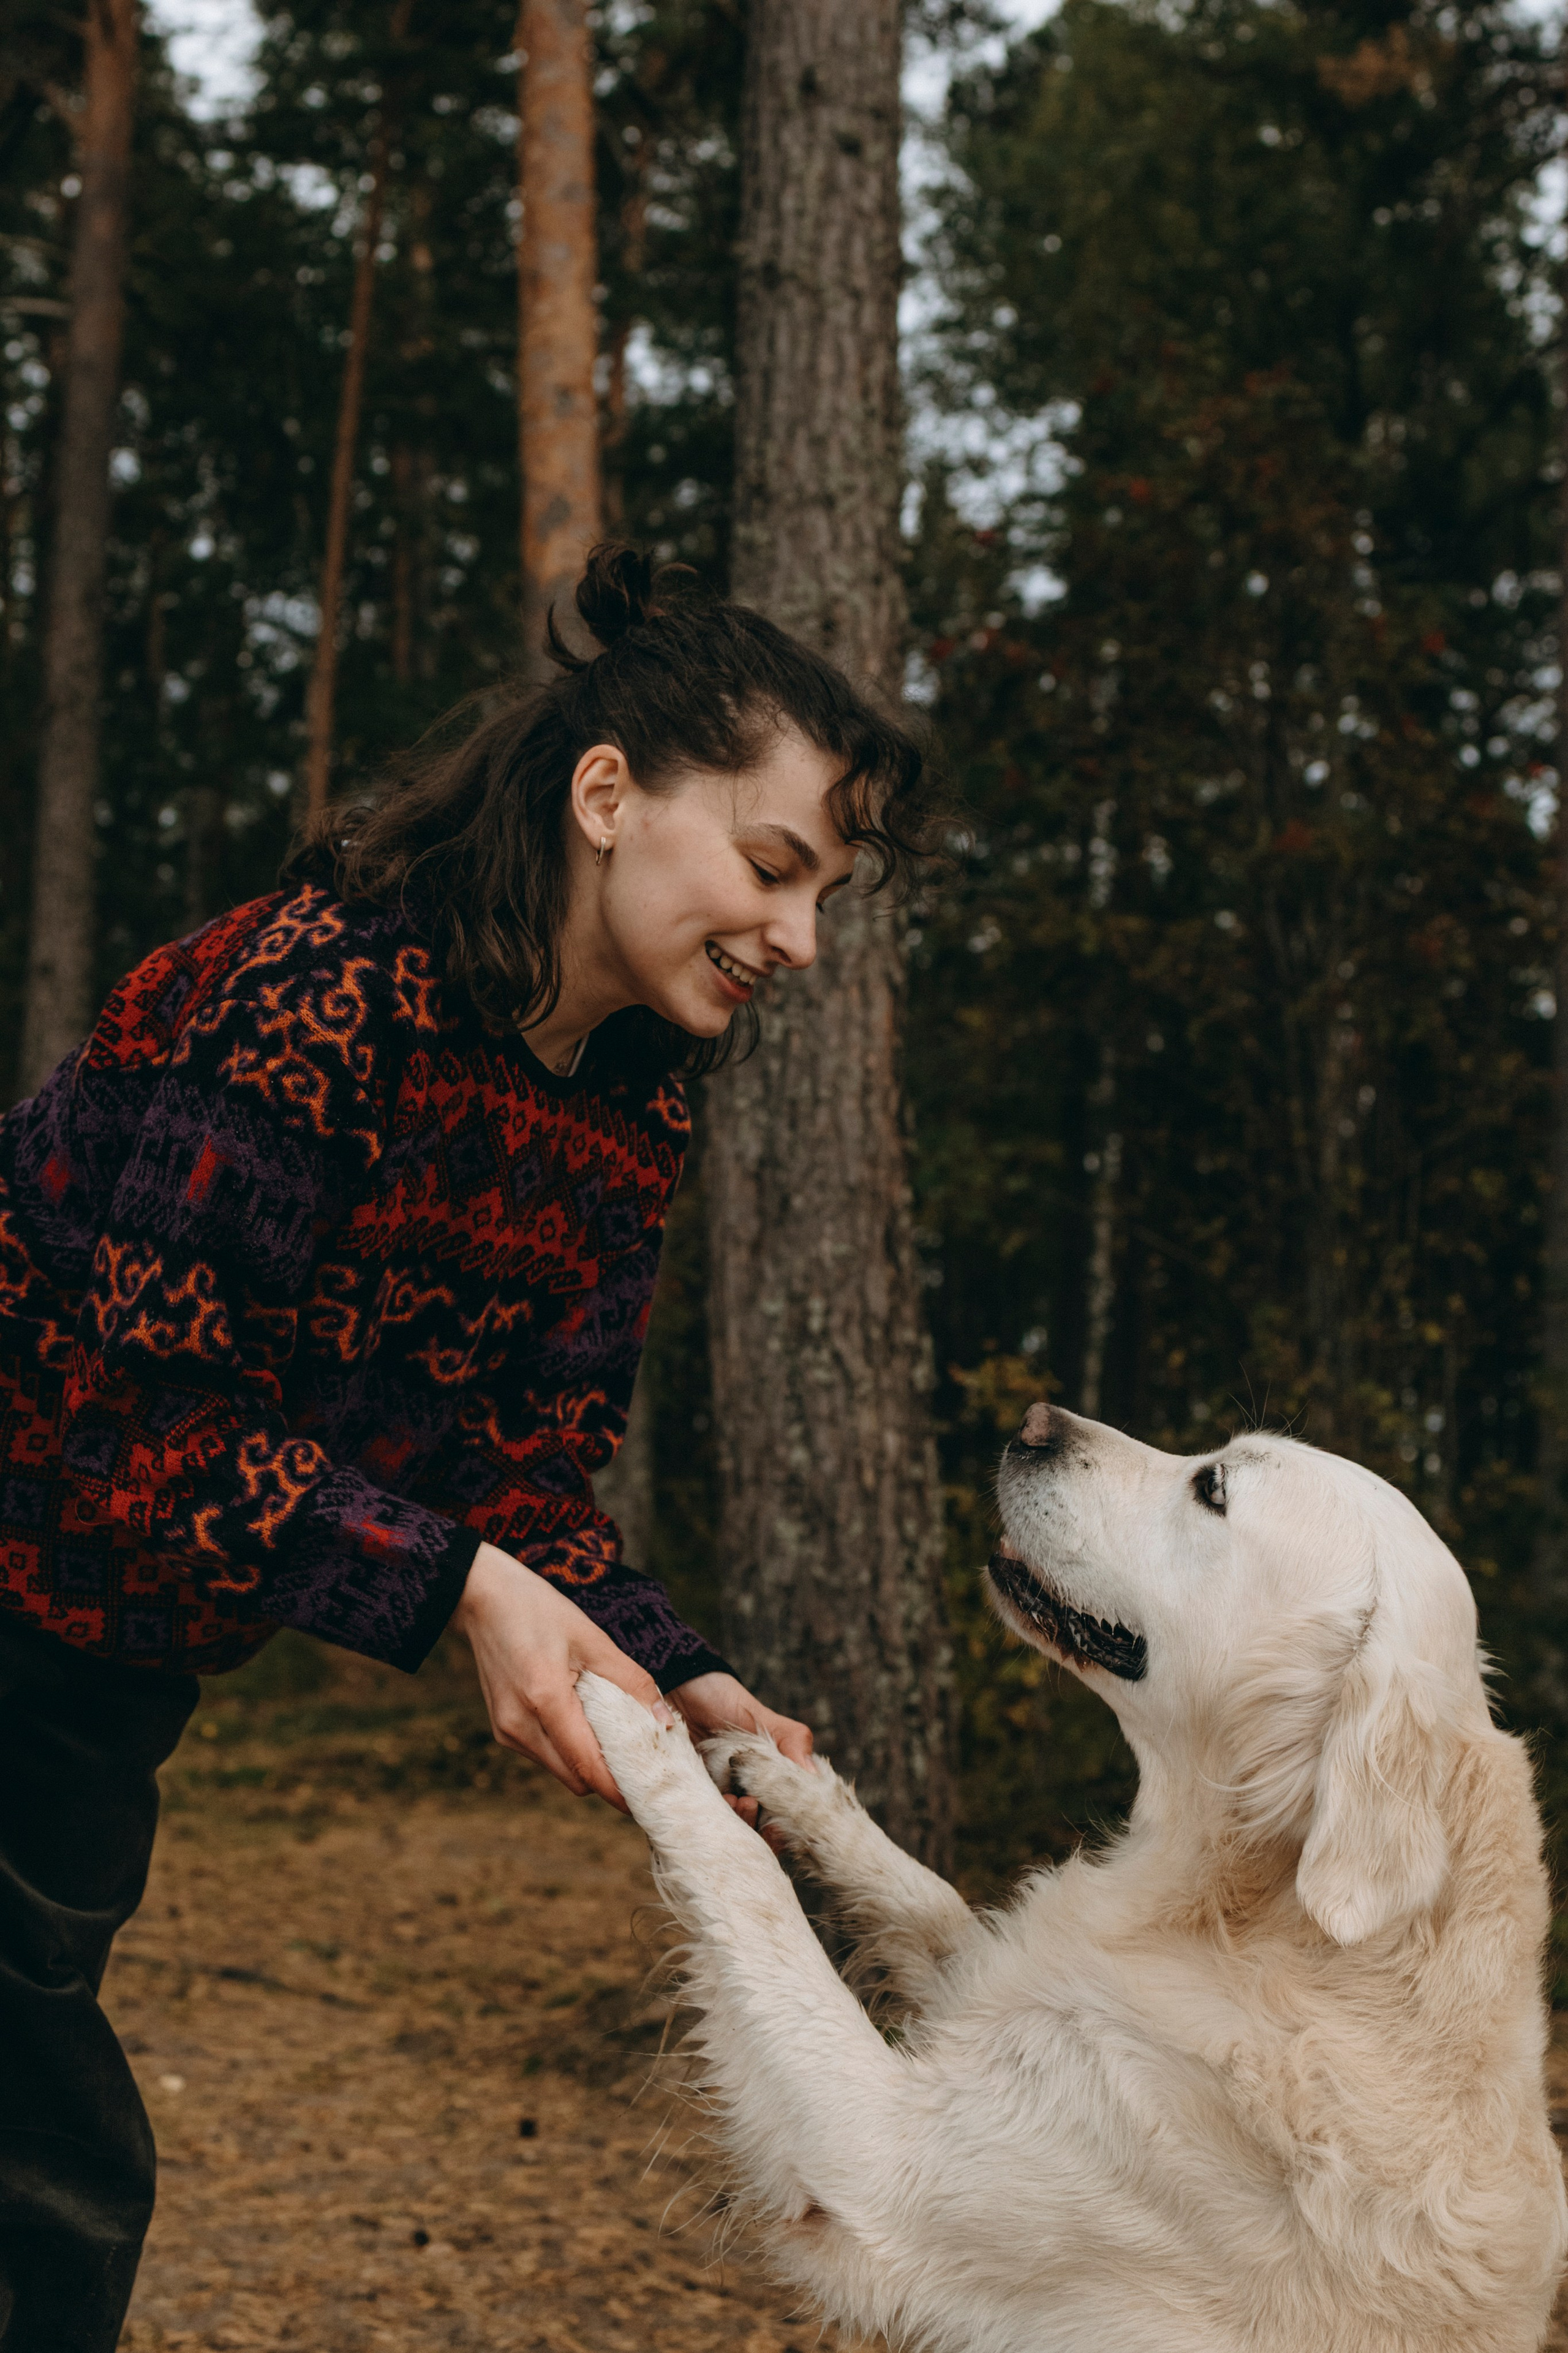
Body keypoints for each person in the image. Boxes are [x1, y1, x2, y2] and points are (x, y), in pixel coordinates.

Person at [0, 543, 930, 2352]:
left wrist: (687, 1671)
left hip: (101, 1658)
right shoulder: (313, 993)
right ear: (607, 796)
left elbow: (512, 1459)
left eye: (828, 896)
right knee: (52, 2158)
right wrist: (455, 1587)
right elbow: (146, 1425)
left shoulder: (625, 1099)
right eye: (772, 867)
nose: (803, 939)